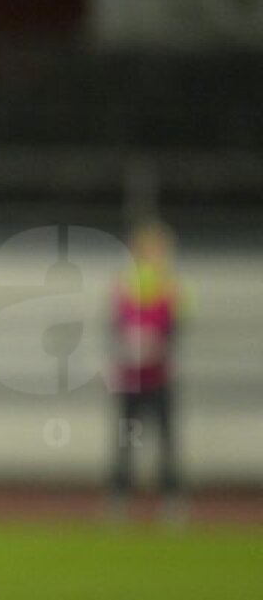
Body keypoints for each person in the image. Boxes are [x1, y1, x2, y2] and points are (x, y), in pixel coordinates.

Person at [107, 219, 187, 517]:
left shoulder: (170, 285)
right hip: (130, 377)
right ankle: (119, 495)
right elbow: (117, 325)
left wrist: (158, 346)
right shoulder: (126, 284)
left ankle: (172, 497)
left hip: (159, 375)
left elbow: (175, 327)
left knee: (166, 439)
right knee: (126, 439)